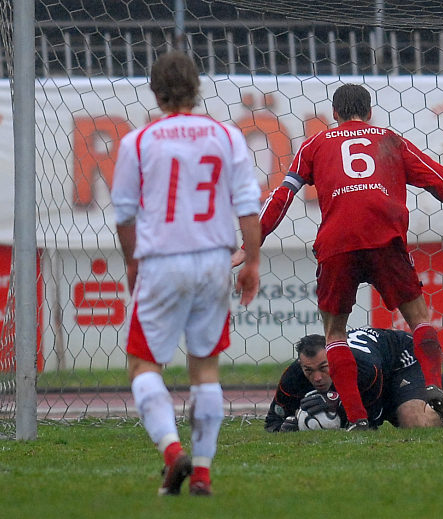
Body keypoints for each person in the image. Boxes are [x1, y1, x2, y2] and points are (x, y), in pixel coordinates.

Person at [256, 83, 443, 430]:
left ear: (335, 114)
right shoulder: (390, 139)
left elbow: (283, 194)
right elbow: (439, 180)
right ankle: (433, 385)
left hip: (337, 242)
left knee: (335, 334)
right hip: (385, 236)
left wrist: (254, 239)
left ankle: (357, 419)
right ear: (369, 112)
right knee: (418, 318)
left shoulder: (314, 143)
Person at [111, 51, 262, 497]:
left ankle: (170, 448)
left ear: (155, 92)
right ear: (197, 89)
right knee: (206, 369)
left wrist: (133, 262)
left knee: (142, 361)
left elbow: (124, 215)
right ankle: (202, 473)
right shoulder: (226, 135)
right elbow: (247, 204)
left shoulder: (137, 142)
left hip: (162, 260)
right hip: (214, 259)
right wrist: (251, 260)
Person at [265, 328, 443, 432]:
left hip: (400, 359)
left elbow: (368, 423)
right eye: (309, 370)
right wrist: (290, 428)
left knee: (410, 421)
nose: (317, 378)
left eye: (324, 368)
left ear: (334, 359)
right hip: (377, 367)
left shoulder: (364, 369)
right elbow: (272, 421)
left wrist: (336, 408)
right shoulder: (294, 375)